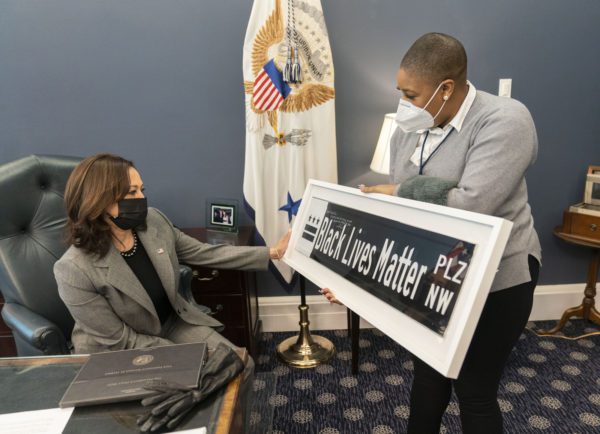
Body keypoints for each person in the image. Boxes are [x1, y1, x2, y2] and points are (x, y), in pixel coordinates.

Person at [321, 32, 541, 434]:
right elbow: (407, 217)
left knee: (473, 387)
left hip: (499, 277)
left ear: (446, 88)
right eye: (400, 92)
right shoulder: (408, 128)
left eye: (412, 94)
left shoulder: (505, 120)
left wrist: (400, 191)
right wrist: (356, 281)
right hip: (435, 274)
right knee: (429, 377)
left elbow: (470, 206)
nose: (405, 105)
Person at [54, 153, 290, 426]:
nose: (141, 198)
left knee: (240, 364)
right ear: (99, 200)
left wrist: (273, 252)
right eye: (131, 192)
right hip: (118, 349)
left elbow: (205, 253)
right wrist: (188, 359)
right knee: (175, 398)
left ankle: (236, 426)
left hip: (171, 324)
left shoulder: (154, 221)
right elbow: (121, 341)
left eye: (142, 189)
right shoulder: (73, 268)